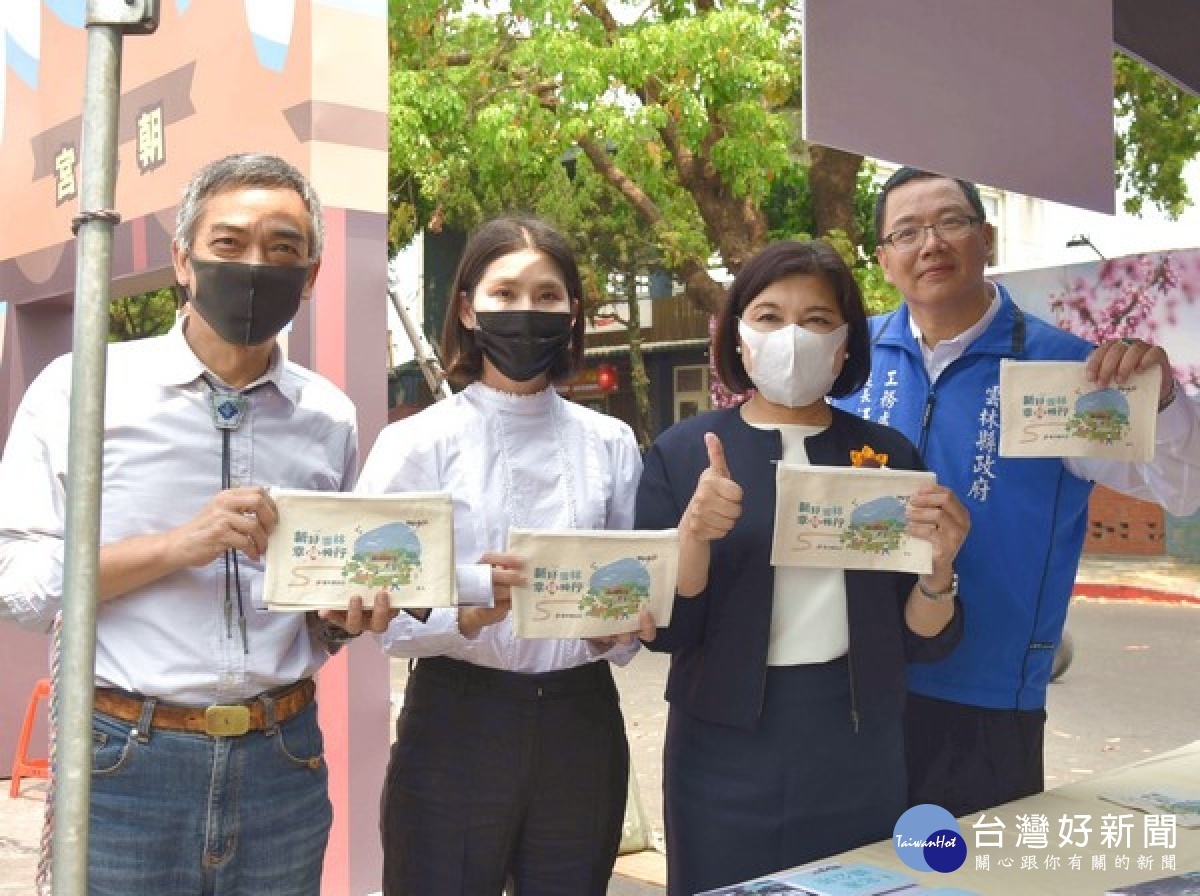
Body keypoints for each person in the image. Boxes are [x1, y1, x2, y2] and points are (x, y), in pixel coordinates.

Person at [0, 152, 392, 895]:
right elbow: (14, 585)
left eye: (283, 249)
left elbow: (311, 612)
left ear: (309, 278)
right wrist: (179, 546)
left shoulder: (328, 416)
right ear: (183, 260)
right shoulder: (85, 389)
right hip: (124, 760)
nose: (255, 264)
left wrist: (342, 620)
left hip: (284, 759)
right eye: (229, 243)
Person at [833, 166, 1200, 817]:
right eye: (908, 232)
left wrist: (1163, 399)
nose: (931, 244)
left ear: (987, 239)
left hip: (986, 705)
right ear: (885, 260)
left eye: (951, 222)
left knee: (964, 876)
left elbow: (1185, 487)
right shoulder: (849, 362)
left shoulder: (1069, 371)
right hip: (850, 693)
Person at [635, 240, 969, 896]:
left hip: (855, 741)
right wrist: (694, 536)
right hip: (721, 747)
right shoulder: (682, 454)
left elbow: (919, 638)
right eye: (768, 316)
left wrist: (939, 569)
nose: (792, 336)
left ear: (846, 345)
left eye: (817, 320)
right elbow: (666, 631)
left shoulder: (884, 453)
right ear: (737, 338)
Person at [361, 215, 644, 896]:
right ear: (467, 306)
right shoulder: (415, 444)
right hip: (457, 718)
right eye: (505, 293)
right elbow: (380, 613)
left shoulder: (610, 442)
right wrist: (464, 610)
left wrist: (617, 630)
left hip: (582, 721)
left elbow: (636, 588)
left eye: (548, 296)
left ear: (573, 312)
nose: (526, 312)